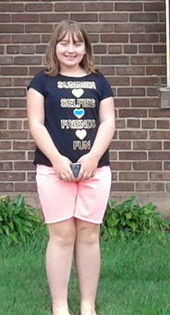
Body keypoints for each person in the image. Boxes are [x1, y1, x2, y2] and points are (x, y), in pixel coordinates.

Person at [26, 20, 116, 315]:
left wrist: (91, 158)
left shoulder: (99, 81)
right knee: (62, 235)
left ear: (85, 48)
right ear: (54, 47)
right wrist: (56, 159)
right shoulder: (41, 82)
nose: (70, 49)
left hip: (95, 171)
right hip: (54, 171)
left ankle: (88, 305)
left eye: (77, 43)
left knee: (89, 235)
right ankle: (60, 306)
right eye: (64, 43)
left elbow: (108, 122)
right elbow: (36, 124)